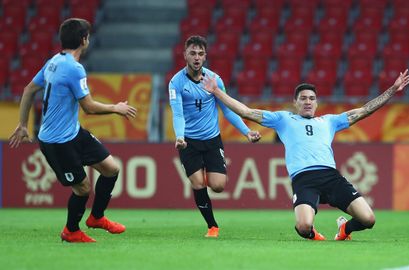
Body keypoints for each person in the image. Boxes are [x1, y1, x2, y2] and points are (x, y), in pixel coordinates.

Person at [202, 69, 409, 240]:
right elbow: (247, 112)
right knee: (303, 227)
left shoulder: (329, 121)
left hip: (331, 177)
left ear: (317, 103)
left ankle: (344, 230)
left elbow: (365, 110)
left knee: (368, 219)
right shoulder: (283, 119)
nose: (308, 102)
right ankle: (314, 235)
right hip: (304, 180)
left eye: (312, 98)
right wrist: (217, 92)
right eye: (303, 98)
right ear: (295, 102)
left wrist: (393, 89)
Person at [9, 18, 137, 243]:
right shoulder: (74, 68)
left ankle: (96, 217)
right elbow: (88, 107)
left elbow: (29, 89)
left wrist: (22, 124)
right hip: (57, 142)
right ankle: (71, 230)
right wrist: (116, 108)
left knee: (111, 168)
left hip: (73, 133)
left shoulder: (53, 62)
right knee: (83, 189)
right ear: (84, 40)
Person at [168, 35, 261, 238]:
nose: (197, 57)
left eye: (200, 54)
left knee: (218, 186)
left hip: (212, 139)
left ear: (205, 56)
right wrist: (180, 136)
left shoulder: (214, 80)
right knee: (198, 183)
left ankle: (208, 174)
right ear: (185, 55)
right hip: (188, 142)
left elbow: (227, 111)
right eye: (192, 53)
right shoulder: (175, 82)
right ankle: (212, 226)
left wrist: (247, 132)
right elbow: (178, 113)